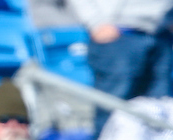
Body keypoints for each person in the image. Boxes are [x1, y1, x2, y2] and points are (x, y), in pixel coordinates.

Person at [68, 0, 173, 131]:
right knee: (111, 120)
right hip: (120, 35)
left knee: (160, 116)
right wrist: (95, 23)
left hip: (162, 35)